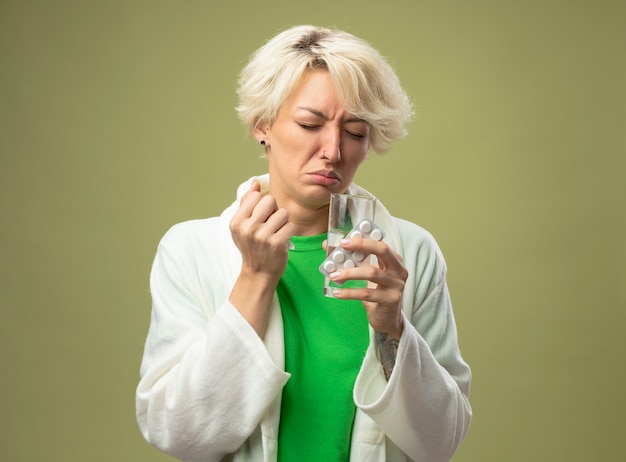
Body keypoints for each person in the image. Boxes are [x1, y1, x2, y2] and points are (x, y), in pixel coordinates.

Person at [136, 25, 472, 462]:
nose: (333, 149)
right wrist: (255, 277)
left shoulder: (409, 253)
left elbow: (440, 442)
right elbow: (181, 435)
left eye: (355, 132)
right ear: (264, 126)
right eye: (310, 123)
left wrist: (393, 328)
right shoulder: (191, 249)